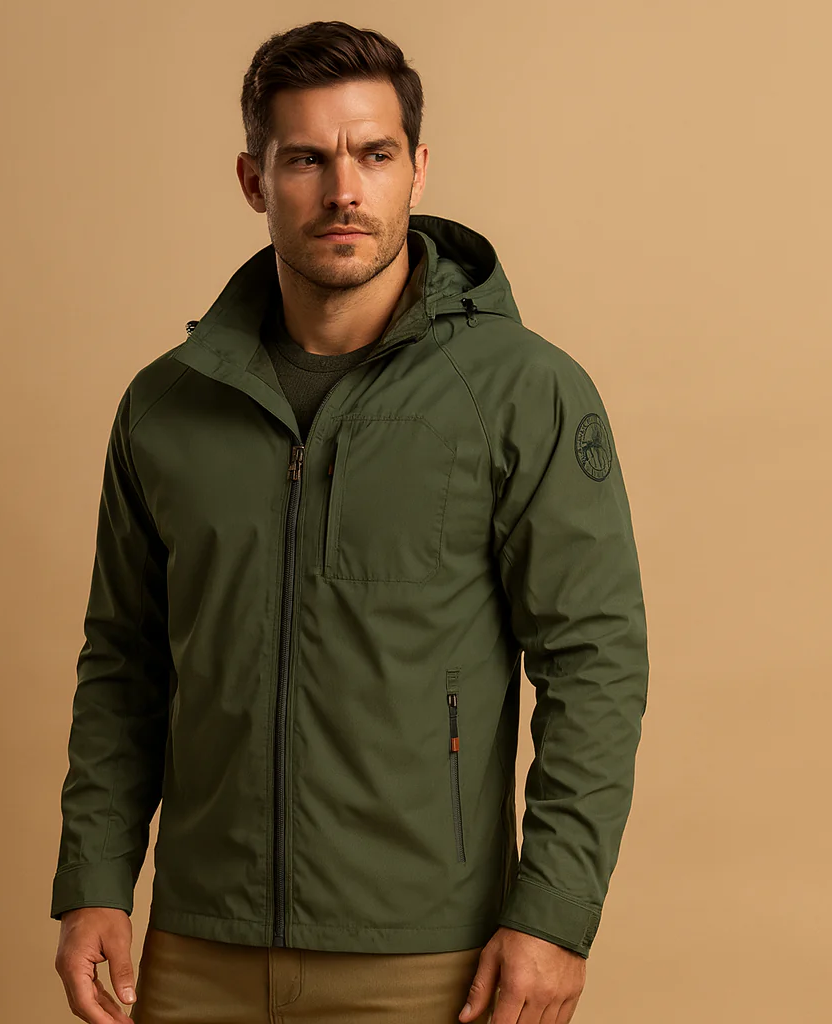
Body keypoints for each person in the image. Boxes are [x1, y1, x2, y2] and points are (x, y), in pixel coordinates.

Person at [51, 19, 648, 1024]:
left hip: (427, 956)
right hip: (197, 951)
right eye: (305, 160)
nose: (343, 190)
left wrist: (553, 915)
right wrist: (94, 879)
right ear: (254, 179)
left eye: (373, 154)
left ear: (418, 169)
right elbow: (124, 662)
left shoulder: (523, 393)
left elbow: (596, 662)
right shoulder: (167, 407)